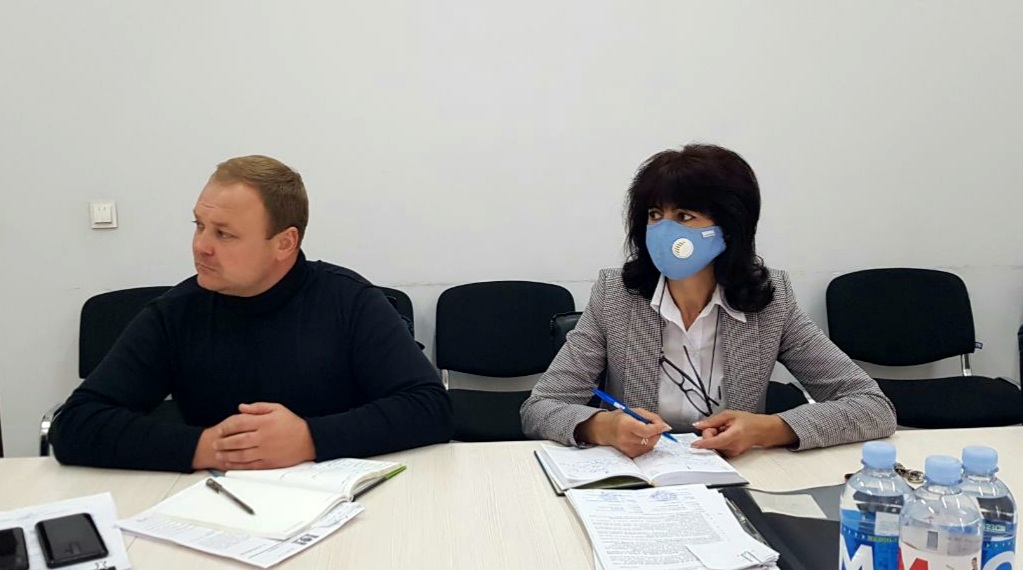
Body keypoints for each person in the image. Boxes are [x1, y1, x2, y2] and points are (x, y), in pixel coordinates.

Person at [51, 155, 453, 472]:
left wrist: (309, 438)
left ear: (284, 243)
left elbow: (430, 407)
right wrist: (206, 448)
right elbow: (76, 425)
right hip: (224, 505)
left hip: (347, 500)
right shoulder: (176, 313)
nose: (201, 246)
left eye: (223, 233)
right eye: (199, 225)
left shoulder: (349, 301)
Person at [521, 144, 895, 458]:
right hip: (640, 479)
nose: (664, 230)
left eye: (684, 216)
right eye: (655, 215)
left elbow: (872, 406)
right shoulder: (616, 296)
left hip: (738, 475)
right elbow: (540, 407)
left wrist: (768, 429)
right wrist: (602, 426)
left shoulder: (771, 302)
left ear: (730, 227)